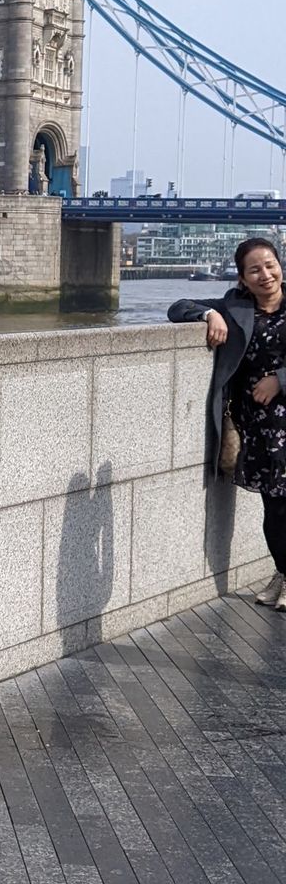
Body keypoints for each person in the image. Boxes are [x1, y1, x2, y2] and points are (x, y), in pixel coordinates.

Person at [168, 236, 286, 610]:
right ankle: (283, 574)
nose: (265, 274)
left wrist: (280, 379)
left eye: (270, 265)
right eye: (255, 269)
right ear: (242, 278)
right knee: (274, 507)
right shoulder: (235, 307)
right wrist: (209, 315)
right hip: (259, 427)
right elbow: (176, 307)